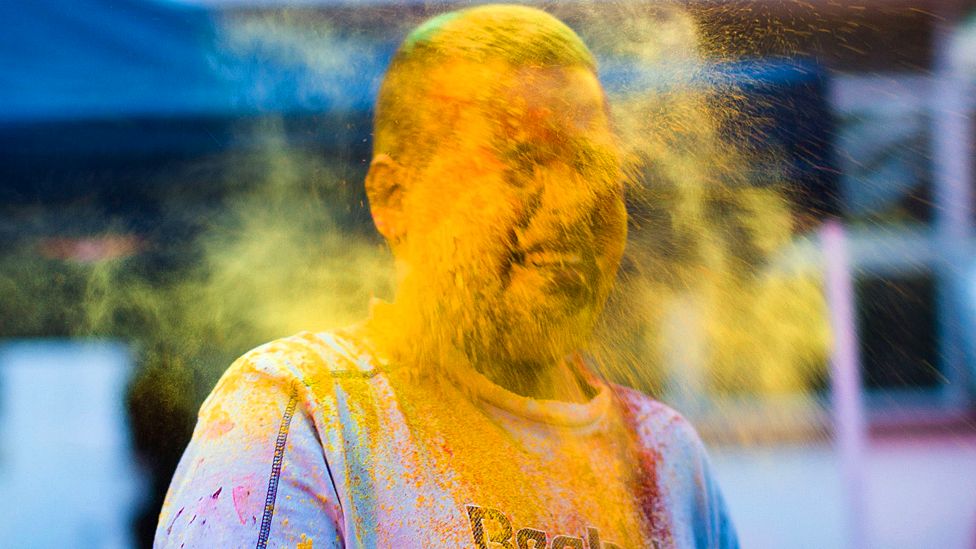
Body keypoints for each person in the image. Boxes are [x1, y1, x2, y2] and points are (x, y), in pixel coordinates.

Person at [155, 5, 738, 548]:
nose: (574, 206)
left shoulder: (665, 455)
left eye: (596, 167)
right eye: (520, 161)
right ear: (394, 198)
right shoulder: (304, 408)